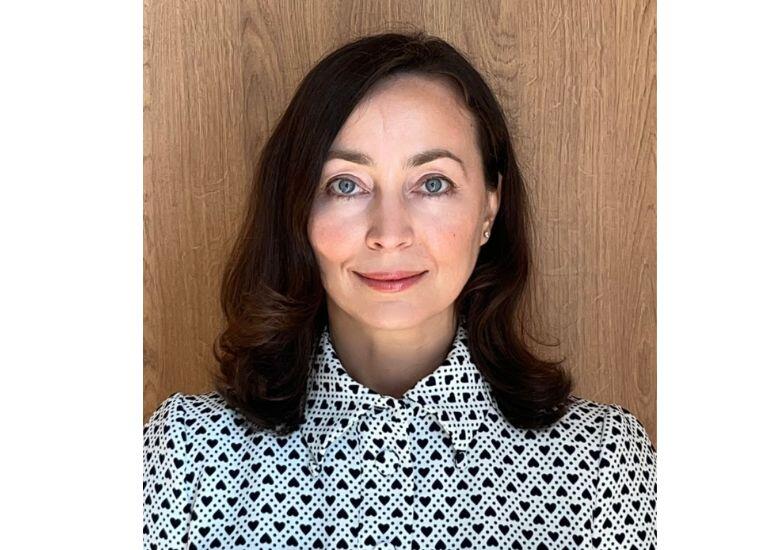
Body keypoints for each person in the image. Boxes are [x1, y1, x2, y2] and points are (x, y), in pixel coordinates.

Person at [143, 30, 656, 550]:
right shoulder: (188, 457)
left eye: (433, 184)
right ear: (296, 209)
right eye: (345, 185)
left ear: (489, 208)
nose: (389, 233)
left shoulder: (602, 466)